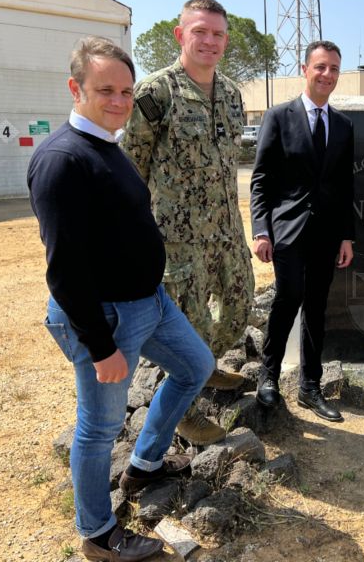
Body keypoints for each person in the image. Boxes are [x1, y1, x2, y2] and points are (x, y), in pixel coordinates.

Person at [29, 36, 215, 561]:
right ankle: (98, 533)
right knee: (99, 428)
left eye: (127, 91)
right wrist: (100, 345)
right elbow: (64, 270)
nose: (119, 101)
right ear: (76, 89)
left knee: (195, 367)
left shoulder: (109, 146)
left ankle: (145, 465)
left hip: (149, 304)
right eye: (105, 90)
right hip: (107, 317)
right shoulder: (63, 160)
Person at [123, 0, 253, 392]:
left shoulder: (231, 94)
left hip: (228, 233)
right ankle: (185, 406)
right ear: (180, 34)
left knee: (239, 310)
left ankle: (204, 367)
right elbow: (131, 168)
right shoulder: (155, 92)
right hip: (179, 241)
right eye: (200, 31)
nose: (210, 41)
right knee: (190, 323)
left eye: (218, 34)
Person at [250, 40, 355, 422]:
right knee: (288, 297)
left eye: (334, 69)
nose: (327, 74)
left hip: (327, 233)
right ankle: (269, 378)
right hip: (287, 230)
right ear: (305, 69)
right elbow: (261, 179)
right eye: (321, 67)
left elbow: (345, 186)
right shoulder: (278, 117)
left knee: (316, 306)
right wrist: (261, 230)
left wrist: (347, 236)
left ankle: (311, 387)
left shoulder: (343, 126)